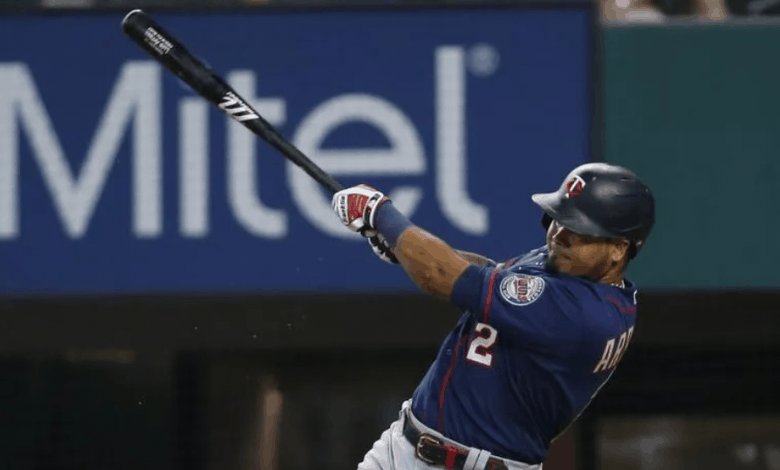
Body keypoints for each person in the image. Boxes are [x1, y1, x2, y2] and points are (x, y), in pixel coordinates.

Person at [331, 162, 656, 470]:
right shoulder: (571, 268)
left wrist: (381, 214)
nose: (560, 236)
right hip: (403, 446)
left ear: (618, 249)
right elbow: (490, 274)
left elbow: (449, 279)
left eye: (580, 231)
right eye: (560, 220)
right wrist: (404, 251)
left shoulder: (585, 316)